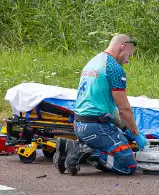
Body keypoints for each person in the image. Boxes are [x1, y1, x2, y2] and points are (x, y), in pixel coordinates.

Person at [57, 34, 149, 175]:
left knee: (114, 154)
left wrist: (125, 128)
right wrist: (136, 134)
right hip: (97, 127)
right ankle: (83, 150)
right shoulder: (113, 68)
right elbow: (124, 109)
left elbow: (108, 108)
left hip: (80, 125)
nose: (127, 61)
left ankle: (76, 147)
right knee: (129, 167)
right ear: (122, 46)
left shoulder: (94, 61)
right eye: (128, 56)